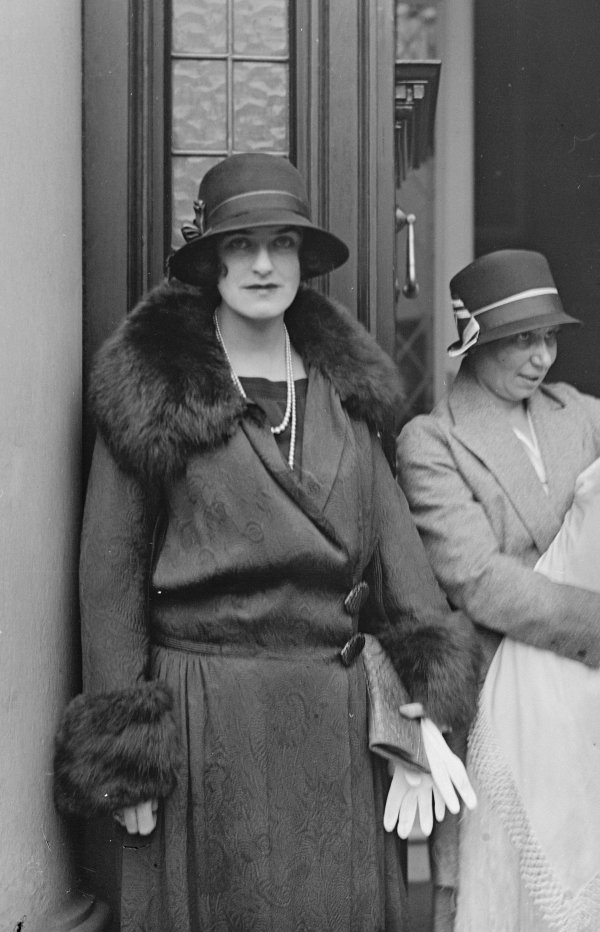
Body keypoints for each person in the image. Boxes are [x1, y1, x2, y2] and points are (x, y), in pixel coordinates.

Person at [52, 153, 477, 930]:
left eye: (281, 243)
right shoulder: (153, 393)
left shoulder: (345, 396)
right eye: (240, 245)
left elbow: (398, 559)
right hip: (208, 720)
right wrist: (128, 761)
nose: (261, 263)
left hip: (334, 730)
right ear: (210, 260)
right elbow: (109, 579)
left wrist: (423, 709)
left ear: (303, 260)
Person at [395, 249, 600, 930]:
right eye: (521, 339)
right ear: (474, 341)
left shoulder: (578, 412)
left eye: (548, 337)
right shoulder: (434, 442)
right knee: (523, 898)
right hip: (508, 707)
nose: (541, 356)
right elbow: (480, 579)